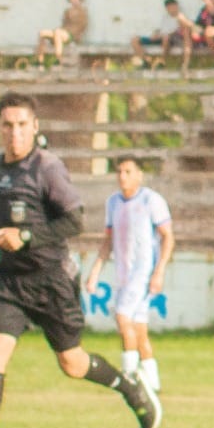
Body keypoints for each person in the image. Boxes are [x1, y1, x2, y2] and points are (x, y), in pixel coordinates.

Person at [0, 93, 161, 428]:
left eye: (21, 125)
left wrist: (25, 237)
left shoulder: (47, 168)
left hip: (52, 282)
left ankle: (129, 387)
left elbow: (74, 222)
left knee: (73, 363)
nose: (14, 133)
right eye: (7, 125)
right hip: (10, 281)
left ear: (35, 127)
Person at [85, 156, 175, 392]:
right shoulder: (113, 202)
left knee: (122, 316)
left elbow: (168, 237)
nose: (122, 177)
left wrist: (160, 271)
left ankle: (130, 375)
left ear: (138, 175)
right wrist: (95, 271)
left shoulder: (150, 200)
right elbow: (108, 241)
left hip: (143, 272)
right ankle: (153, 383)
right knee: (138, 329)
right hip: (124, 272)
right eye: (119, 172)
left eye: (128, 172)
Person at [36, 0, 88, 64]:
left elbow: (82, 26)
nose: (74, 0)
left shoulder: (83, 11)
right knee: (43, 33)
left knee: (58, 33)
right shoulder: (67, 11)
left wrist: (75, 36)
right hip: (63, 32)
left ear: (80, 0)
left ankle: (58, 59)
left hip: (72, 35)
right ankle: (40, 61)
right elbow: (64, 24)